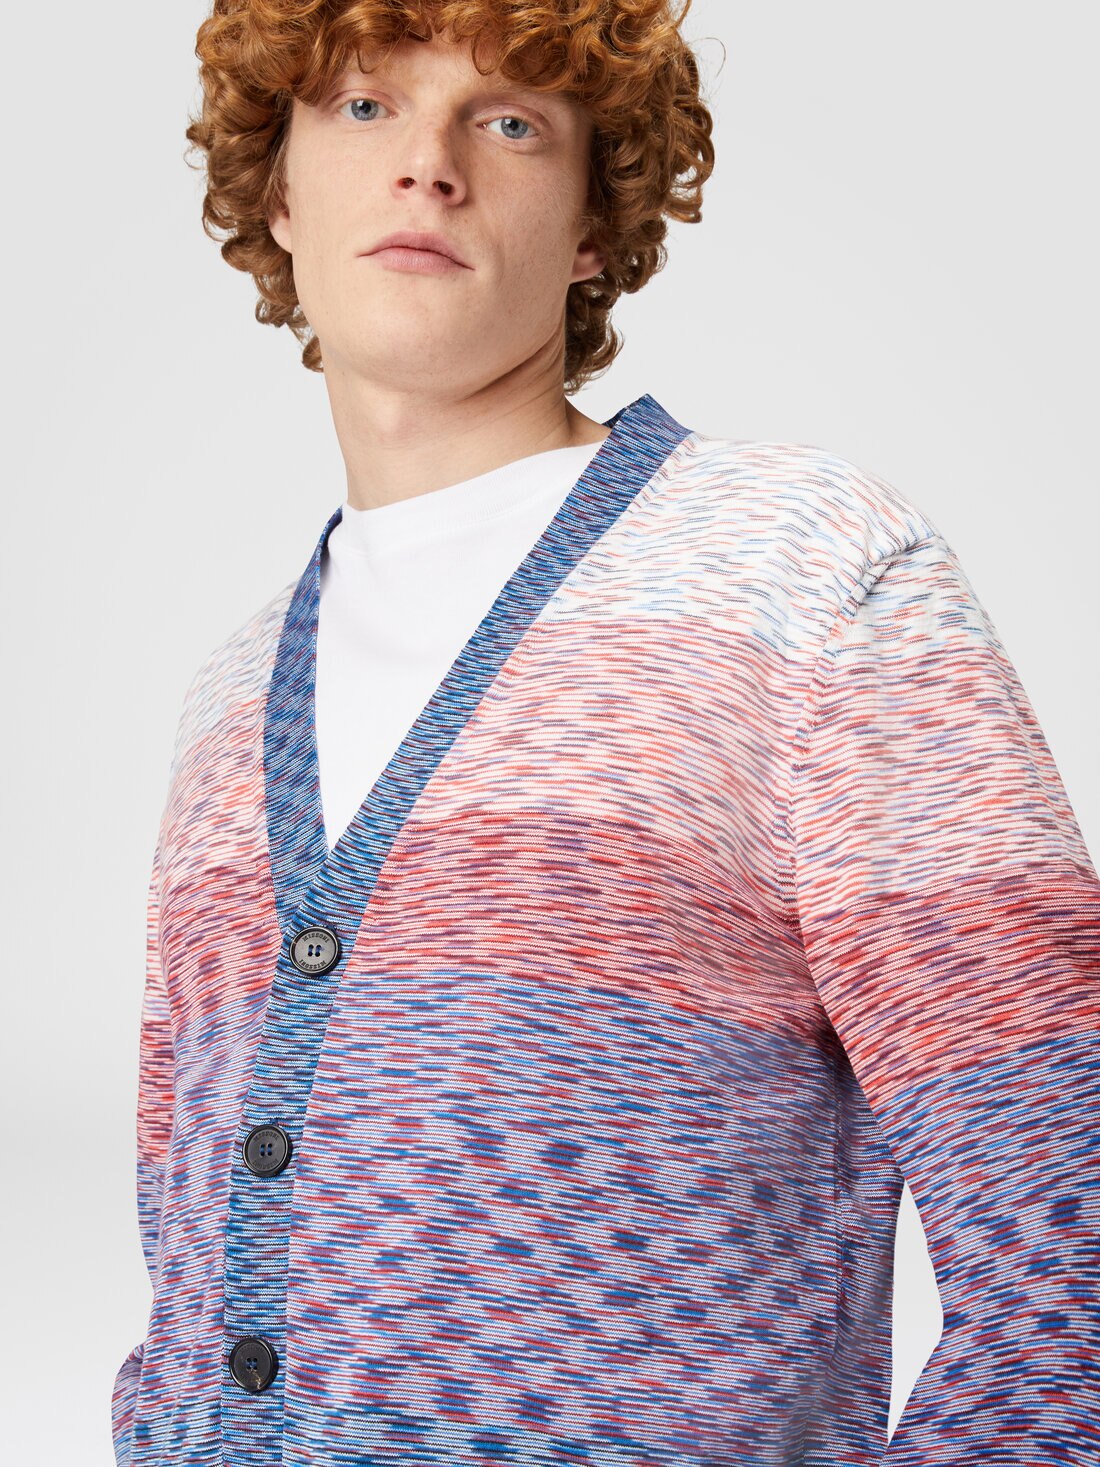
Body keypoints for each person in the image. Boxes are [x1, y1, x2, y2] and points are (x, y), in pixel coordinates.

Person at [111, 2, 1100, 1464]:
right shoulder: (231, 692)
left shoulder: (807, 567)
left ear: (590, 227)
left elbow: (1065, 1227)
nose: (429, 163)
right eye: (366, 107)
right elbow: (189, 1257)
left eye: (509, 122)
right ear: (281, 196)